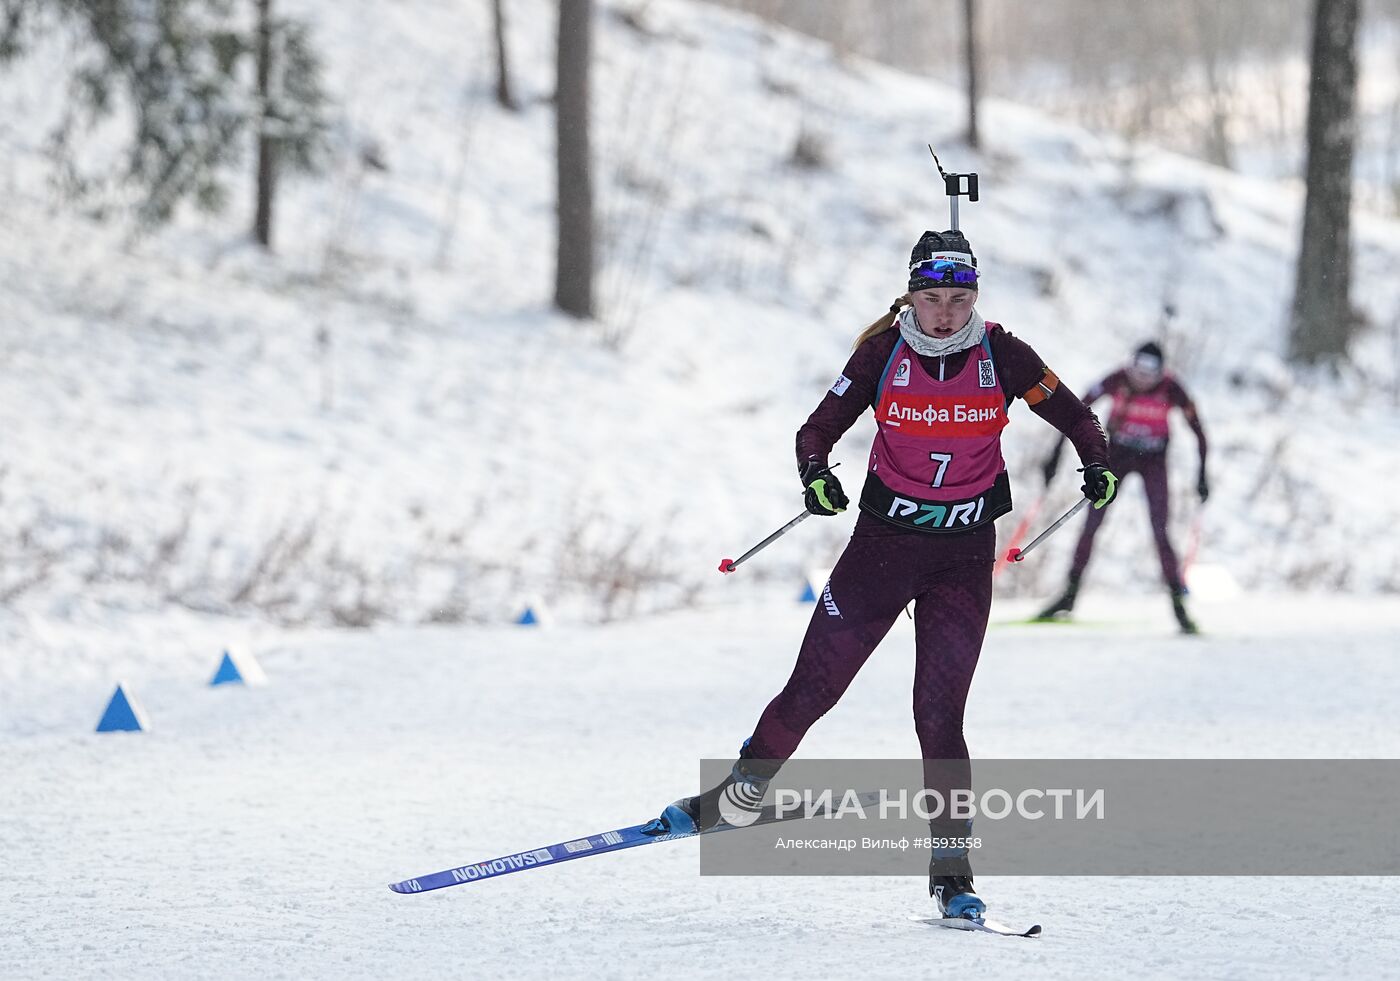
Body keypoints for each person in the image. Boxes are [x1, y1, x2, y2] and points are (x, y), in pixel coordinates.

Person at [644, 230, 1114, 921]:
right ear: (912, 296)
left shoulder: (1004, 354)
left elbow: (1076, 416)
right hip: (881, 548)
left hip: (960, 557)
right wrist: (815, 478)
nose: (947, 313)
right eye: (933, 299)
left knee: (939, 718)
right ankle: (734, 801)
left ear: (974, 297)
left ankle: (952, 874)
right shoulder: (882, 352)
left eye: (960, 299)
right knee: (811, 691)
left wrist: (1096, 463)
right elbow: (816, 430)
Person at [1035, 342, 1208, 633]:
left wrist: (1202, 475)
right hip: (1118, 456)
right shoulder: (1117, 380)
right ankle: (1069, 594)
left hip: (1154, 459)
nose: (1142, 377)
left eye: (1150, 372)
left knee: (1160, 529)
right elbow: (1075, 412)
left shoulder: (1171, 388)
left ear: (1161, 372)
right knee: (1092, 523)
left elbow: (1199, 431)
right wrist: (1054, 455)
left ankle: (1178, 604)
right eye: (1138, 368)